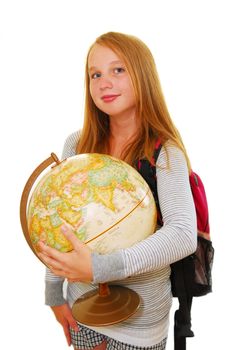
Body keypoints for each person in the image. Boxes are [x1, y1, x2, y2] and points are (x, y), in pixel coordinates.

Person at [37, 32, 197, 350]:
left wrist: (101, 268)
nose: (104, 82)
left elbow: (182, 234)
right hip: (81, 306)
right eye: (95, 74)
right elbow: (56, 220)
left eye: (118, 70)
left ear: (143, 75)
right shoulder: (77, 145)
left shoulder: (164, 152)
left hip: (140, 322)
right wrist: (54, 293)